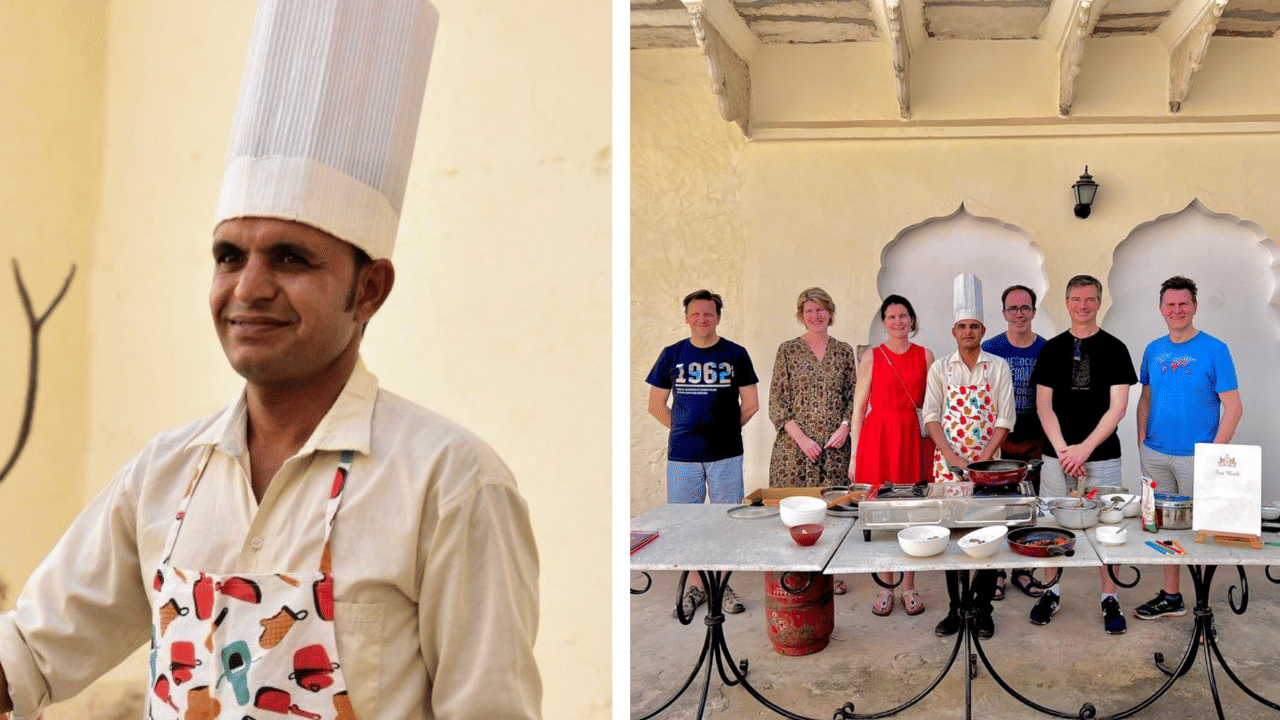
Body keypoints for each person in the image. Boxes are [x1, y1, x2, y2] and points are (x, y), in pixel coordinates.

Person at [0, 2, 542, 718]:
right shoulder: (162, 477)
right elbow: (30, 655)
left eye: (290, 257)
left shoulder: (451, 485)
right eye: (230, 256)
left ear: (369, 289)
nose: (249, 289)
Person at [1029, 274, 1137, 634]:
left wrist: (1085, 449)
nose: (1083, 306)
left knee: (1108, 525)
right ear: (1066, 302)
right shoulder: (1051, 349)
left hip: (1103, 455)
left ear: (1099, 302)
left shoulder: (1116, 348)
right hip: (1056, 455)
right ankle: (1051, 590)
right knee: (1051, 526)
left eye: (1090, 299)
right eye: (1076, 299)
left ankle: (1109, 596)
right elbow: (1044, 406)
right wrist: (1063, 451)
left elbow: (1118, 407)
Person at [1133, 276, 1242, 623]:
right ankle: (1172, 596)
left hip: (1197, 459)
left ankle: (1203, 605)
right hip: (1155, 455)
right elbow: (1145, 399)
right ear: (1161, 309)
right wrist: (1141, 442)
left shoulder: (1215, 350)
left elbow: (1234, 407)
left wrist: (1213, 455)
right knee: (1161, 530)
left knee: (1202, 533)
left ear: (1194, 306)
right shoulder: (1153, 349)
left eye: (1183, 304)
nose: (1177, 310)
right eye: (1170, 304)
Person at [647, 289, 760, 615]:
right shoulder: (672, 354)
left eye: (708, 314)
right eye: (695, 314)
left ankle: (722, 587)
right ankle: (697, 586)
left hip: (726, 453)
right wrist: (684, 430)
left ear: (718, 317)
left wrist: (723, 431)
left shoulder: (735, 354)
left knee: (726, 521)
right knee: (686, 523)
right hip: (683, 455)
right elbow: (656, 405)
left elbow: (750, 404)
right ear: (686, 317)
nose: (702, 319)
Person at [924, 274, 1015, 639]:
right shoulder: (940, 369)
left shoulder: (998, 367)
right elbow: (931, 417)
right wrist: (953, 458)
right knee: (951, 536)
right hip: (948, 467)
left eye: (974, 326)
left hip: (989, 467)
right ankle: (955, 608)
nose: (968, 331)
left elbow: (1005, 418)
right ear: (953, 331)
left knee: (988, 536)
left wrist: (982, 460)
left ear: (982, 329)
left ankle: (982, 609)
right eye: (962, 326)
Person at [848, 295, 934, 616]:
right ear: (883, 322)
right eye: (891, 316)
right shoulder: (872, 356)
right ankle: (885, 584)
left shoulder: (926, 356)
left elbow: (933, 405)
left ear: (912, 320)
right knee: (881, 512)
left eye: (903, 316)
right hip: (878, 436)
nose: (898, 322)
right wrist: (854, 456)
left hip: (911, 436)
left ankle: (909, 585)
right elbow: (858, 409)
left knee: (910, 512)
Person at [982, 285, 1048, 600]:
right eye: (1013, 309)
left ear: (1034, 311)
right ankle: (995, 573)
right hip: (999, 438)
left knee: (1027, 506)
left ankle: (1023, 569)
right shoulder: (990, 348)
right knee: (997, 505)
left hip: (1035, 437)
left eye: (1025, 308)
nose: (1019, 314)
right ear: (1004, 313)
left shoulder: (1047, 349)